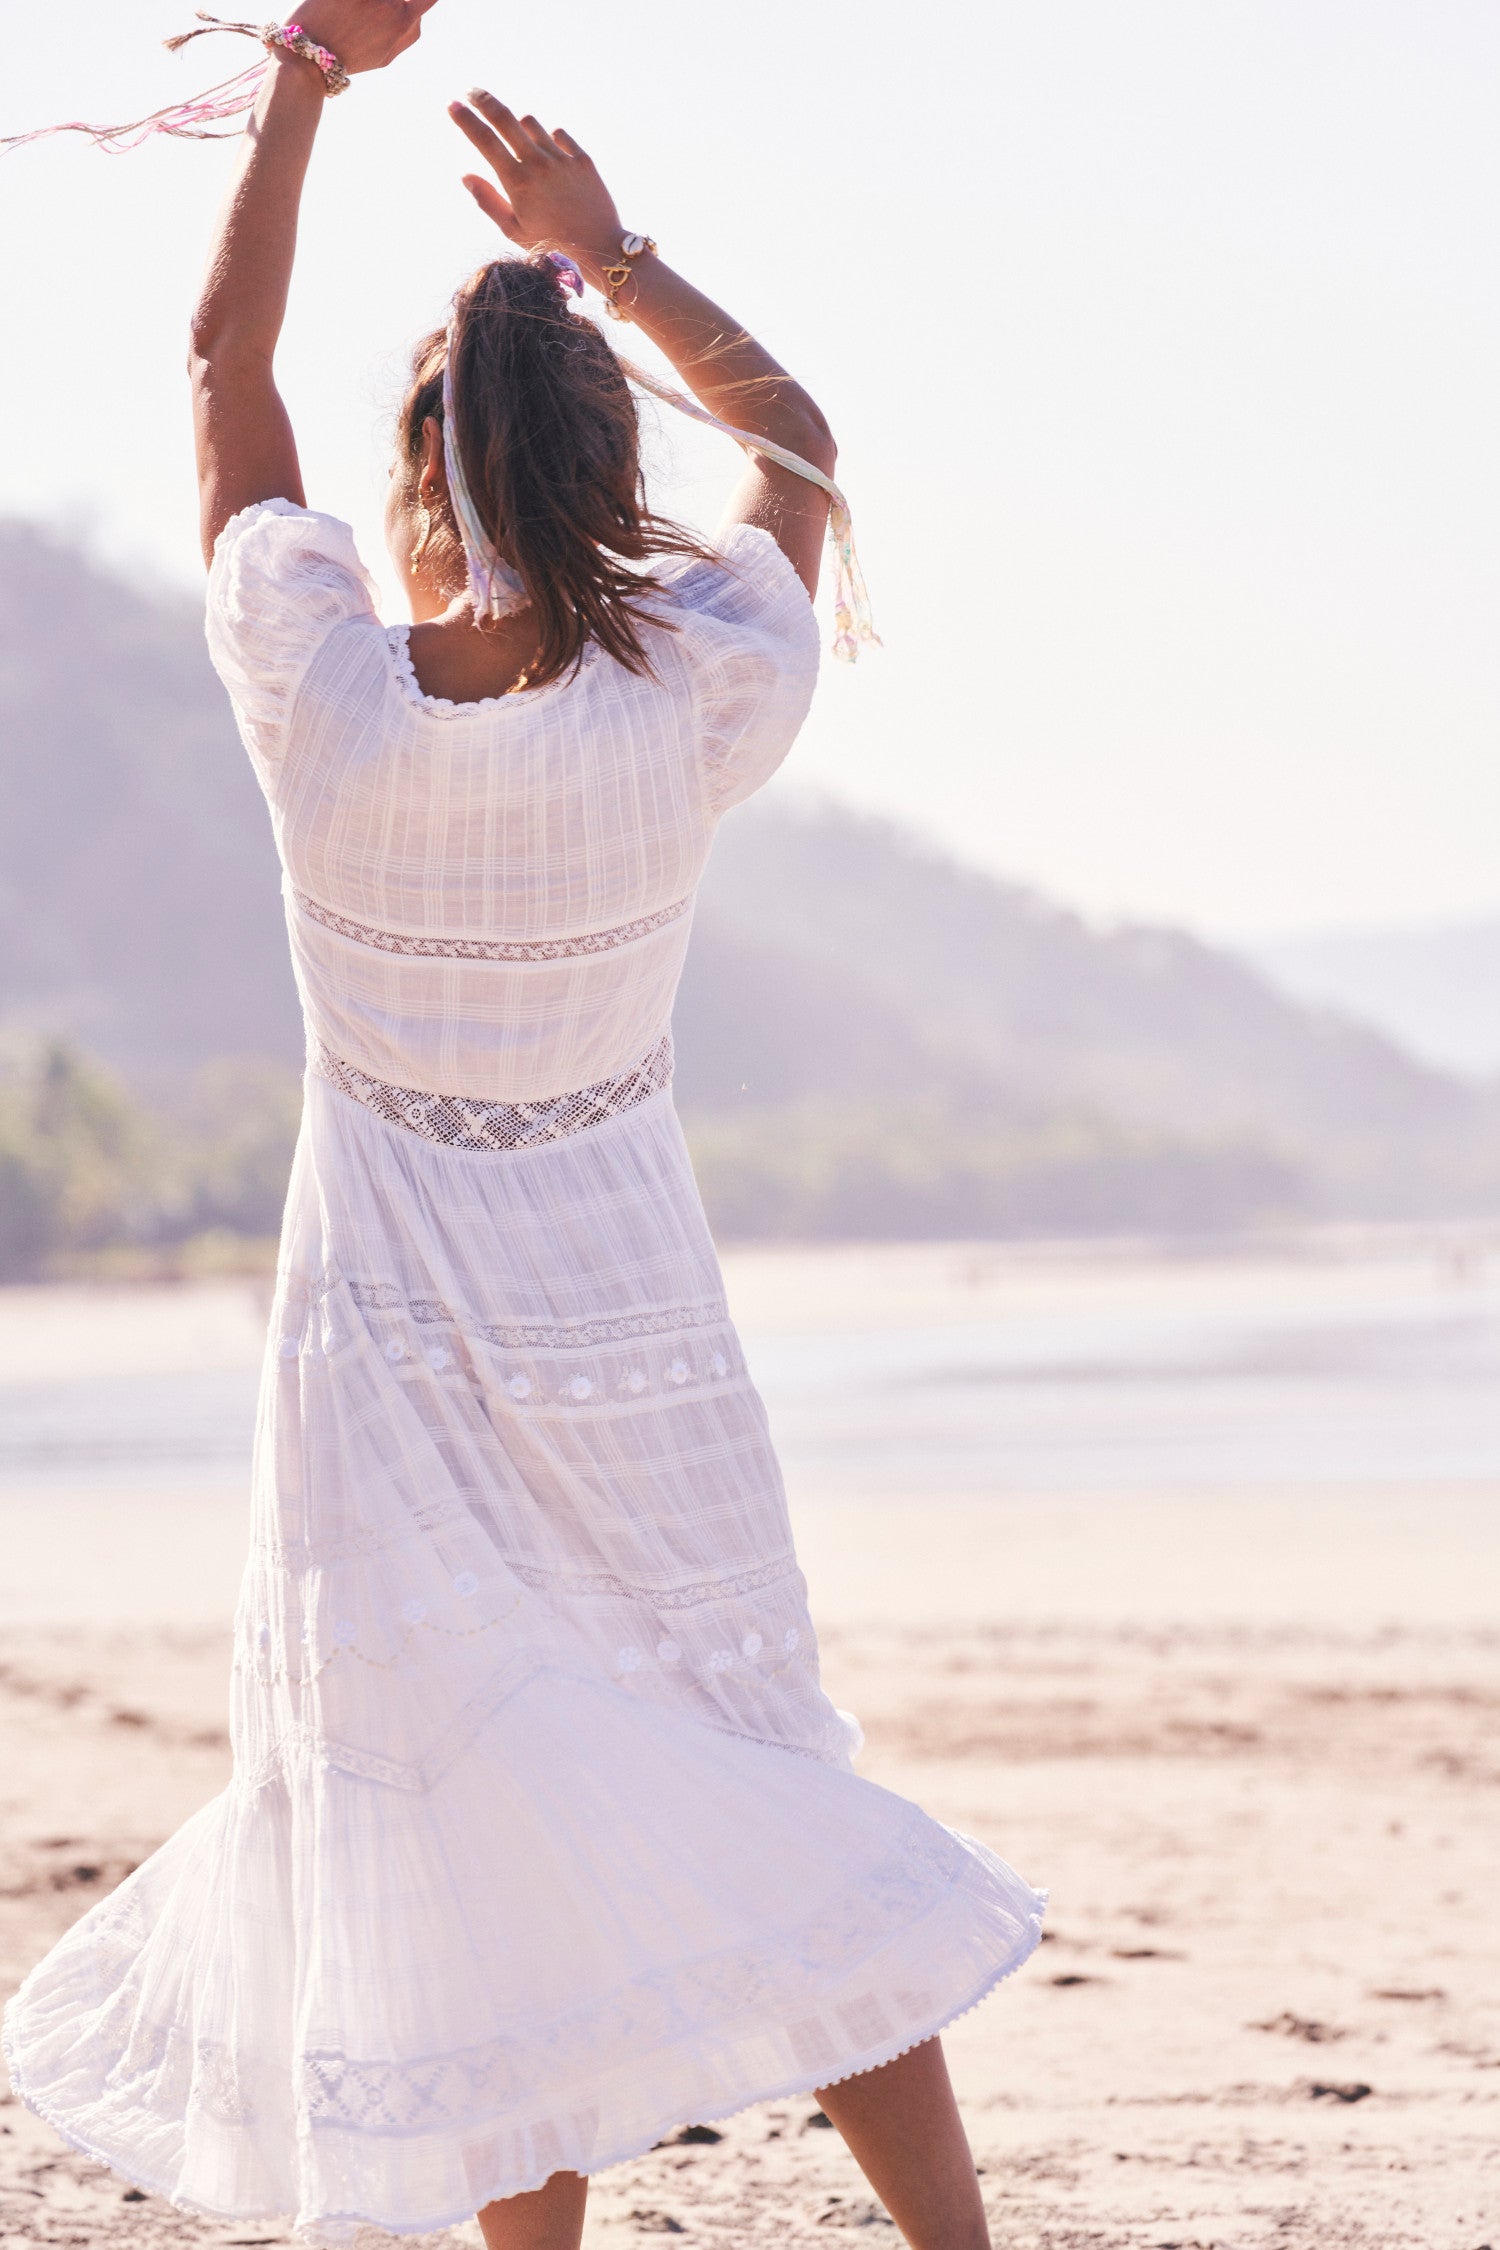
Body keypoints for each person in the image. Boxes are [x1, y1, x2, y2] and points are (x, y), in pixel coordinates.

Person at [1, 6, 1044, 2245]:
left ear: (419, 474)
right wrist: (613, 252)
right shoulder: (693, 695)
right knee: (768, 1779)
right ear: (603, 471)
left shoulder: (324, 694)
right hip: (632, 1327)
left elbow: (216, 375)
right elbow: (800, 448)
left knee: (466, 1836)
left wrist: (302, 71)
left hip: (378, 1351)